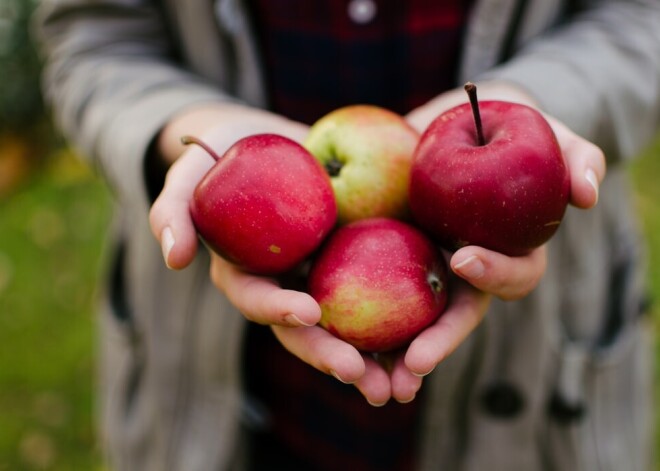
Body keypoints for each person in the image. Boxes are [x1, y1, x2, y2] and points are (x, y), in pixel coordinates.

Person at [34, 0, 659, 470]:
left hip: (533, 368)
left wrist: (533, 101)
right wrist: (181, 126)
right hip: (231, 385)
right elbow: (93, 36)